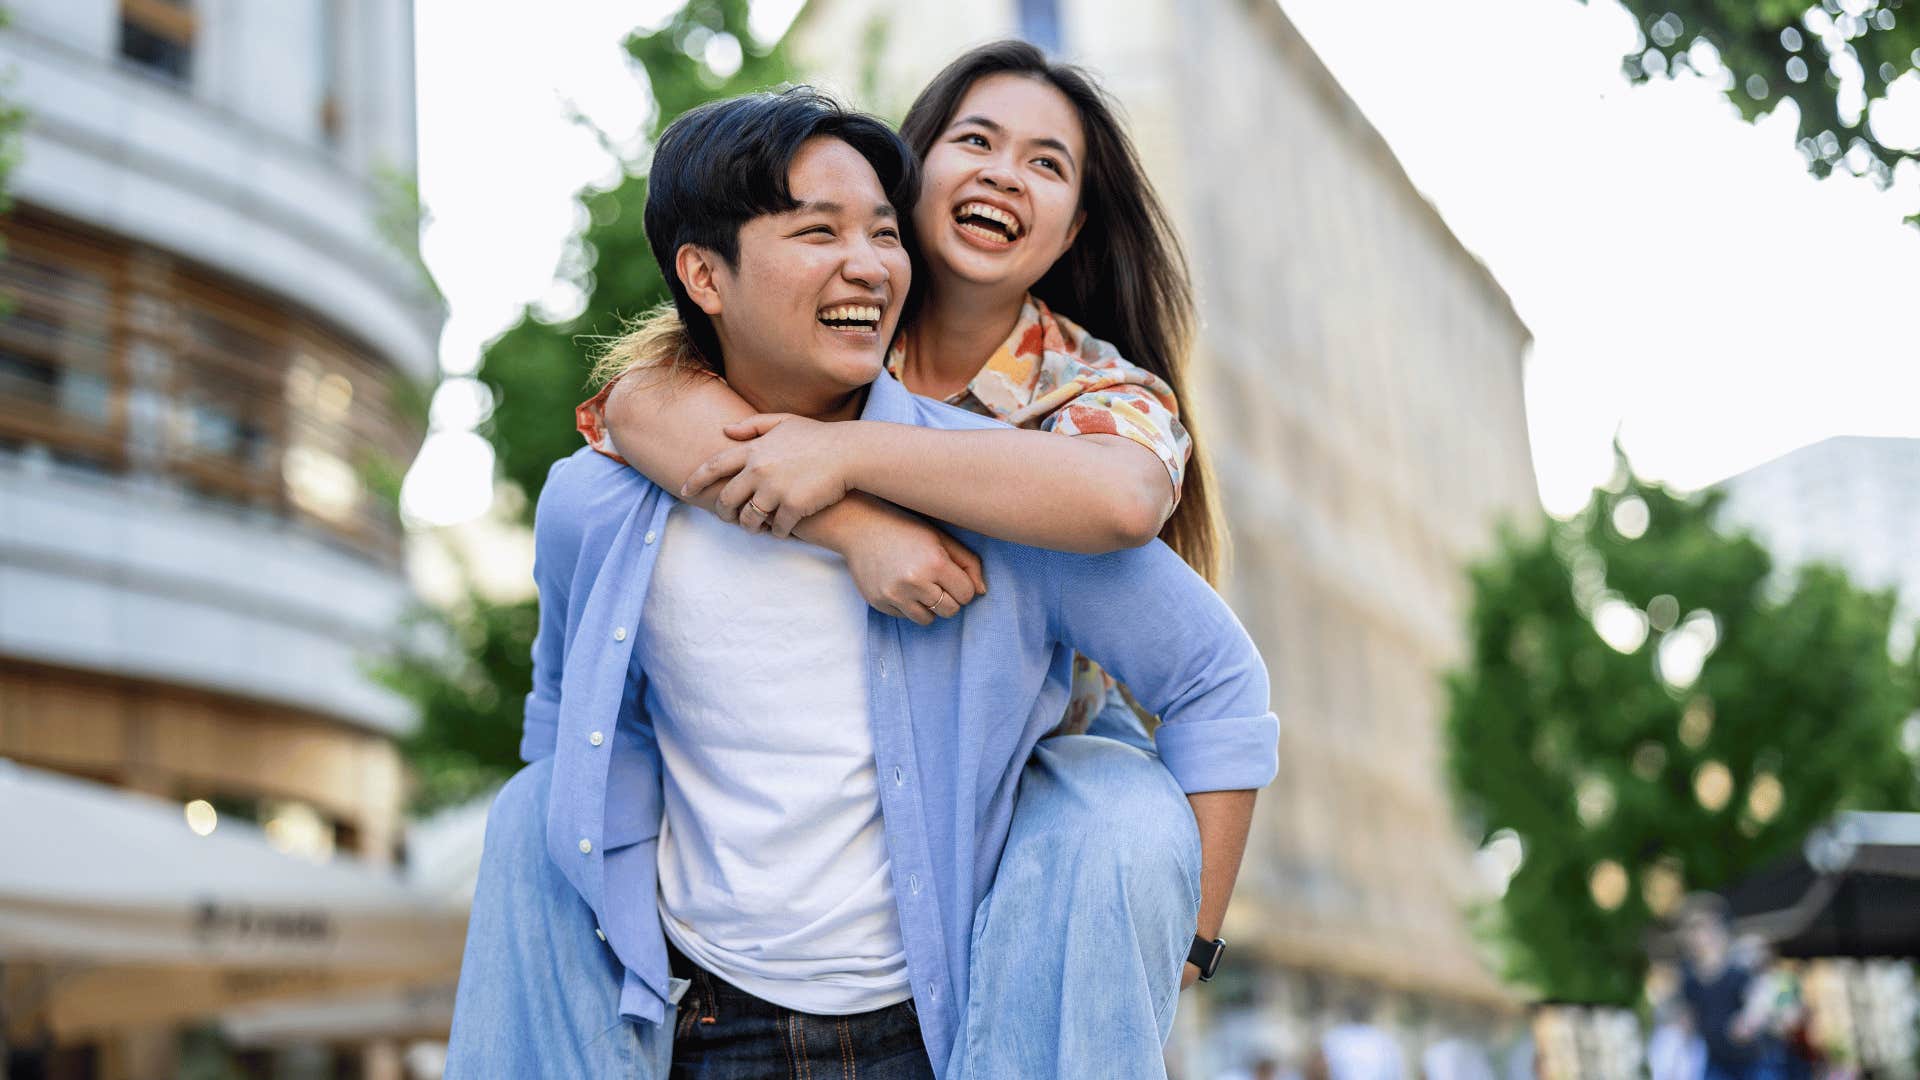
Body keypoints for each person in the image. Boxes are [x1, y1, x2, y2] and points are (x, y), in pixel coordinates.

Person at [445, 87, 1277, 1079]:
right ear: (704, 276)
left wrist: (1188, 942)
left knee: (1118, 809)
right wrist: (850, 523)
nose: (866, 262)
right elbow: (567, 713)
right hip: (709, 1027)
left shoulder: (1013, 476)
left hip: (941, 1025)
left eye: (879, 233)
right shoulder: (603, 496)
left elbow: (1200, 645)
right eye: (821, 230)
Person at [1677, 894, 1759, 1080]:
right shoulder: (1689, 979)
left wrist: (1748, 1020)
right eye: (1691, 929)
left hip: (1748, 1063)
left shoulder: (1738, 971)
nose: (1696, 936)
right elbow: (1689, 1017)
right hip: (1715, 1063)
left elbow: (1756, 1003)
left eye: (1701, 927)